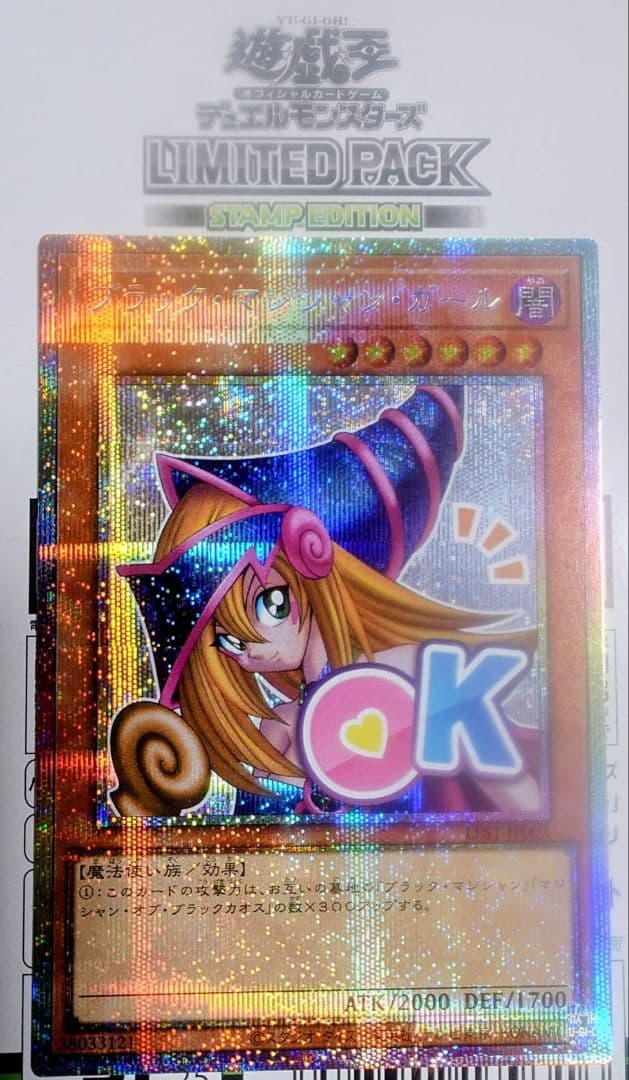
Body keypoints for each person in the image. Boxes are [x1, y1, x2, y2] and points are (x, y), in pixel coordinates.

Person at [110, 385, 538, 817]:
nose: (252, 650)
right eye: (229, 641)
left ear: (316, 569)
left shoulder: (408, 670)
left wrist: (537, 833)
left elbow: (511, 789)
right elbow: (259, 829)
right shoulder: (282, 724)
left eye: (270, 606)